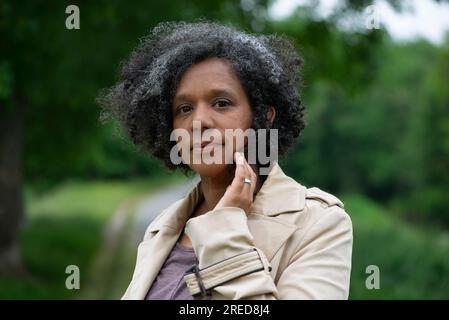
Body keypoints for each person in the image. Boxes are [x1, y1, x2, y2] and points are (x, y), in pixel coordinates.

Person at [97, 20, 353, 300]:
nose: (199, 122)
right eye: (184, 108)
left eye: (221, 103)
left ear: (263, 117)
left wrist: (225, 229)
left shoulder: (319, 224)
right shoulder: (162, 228)